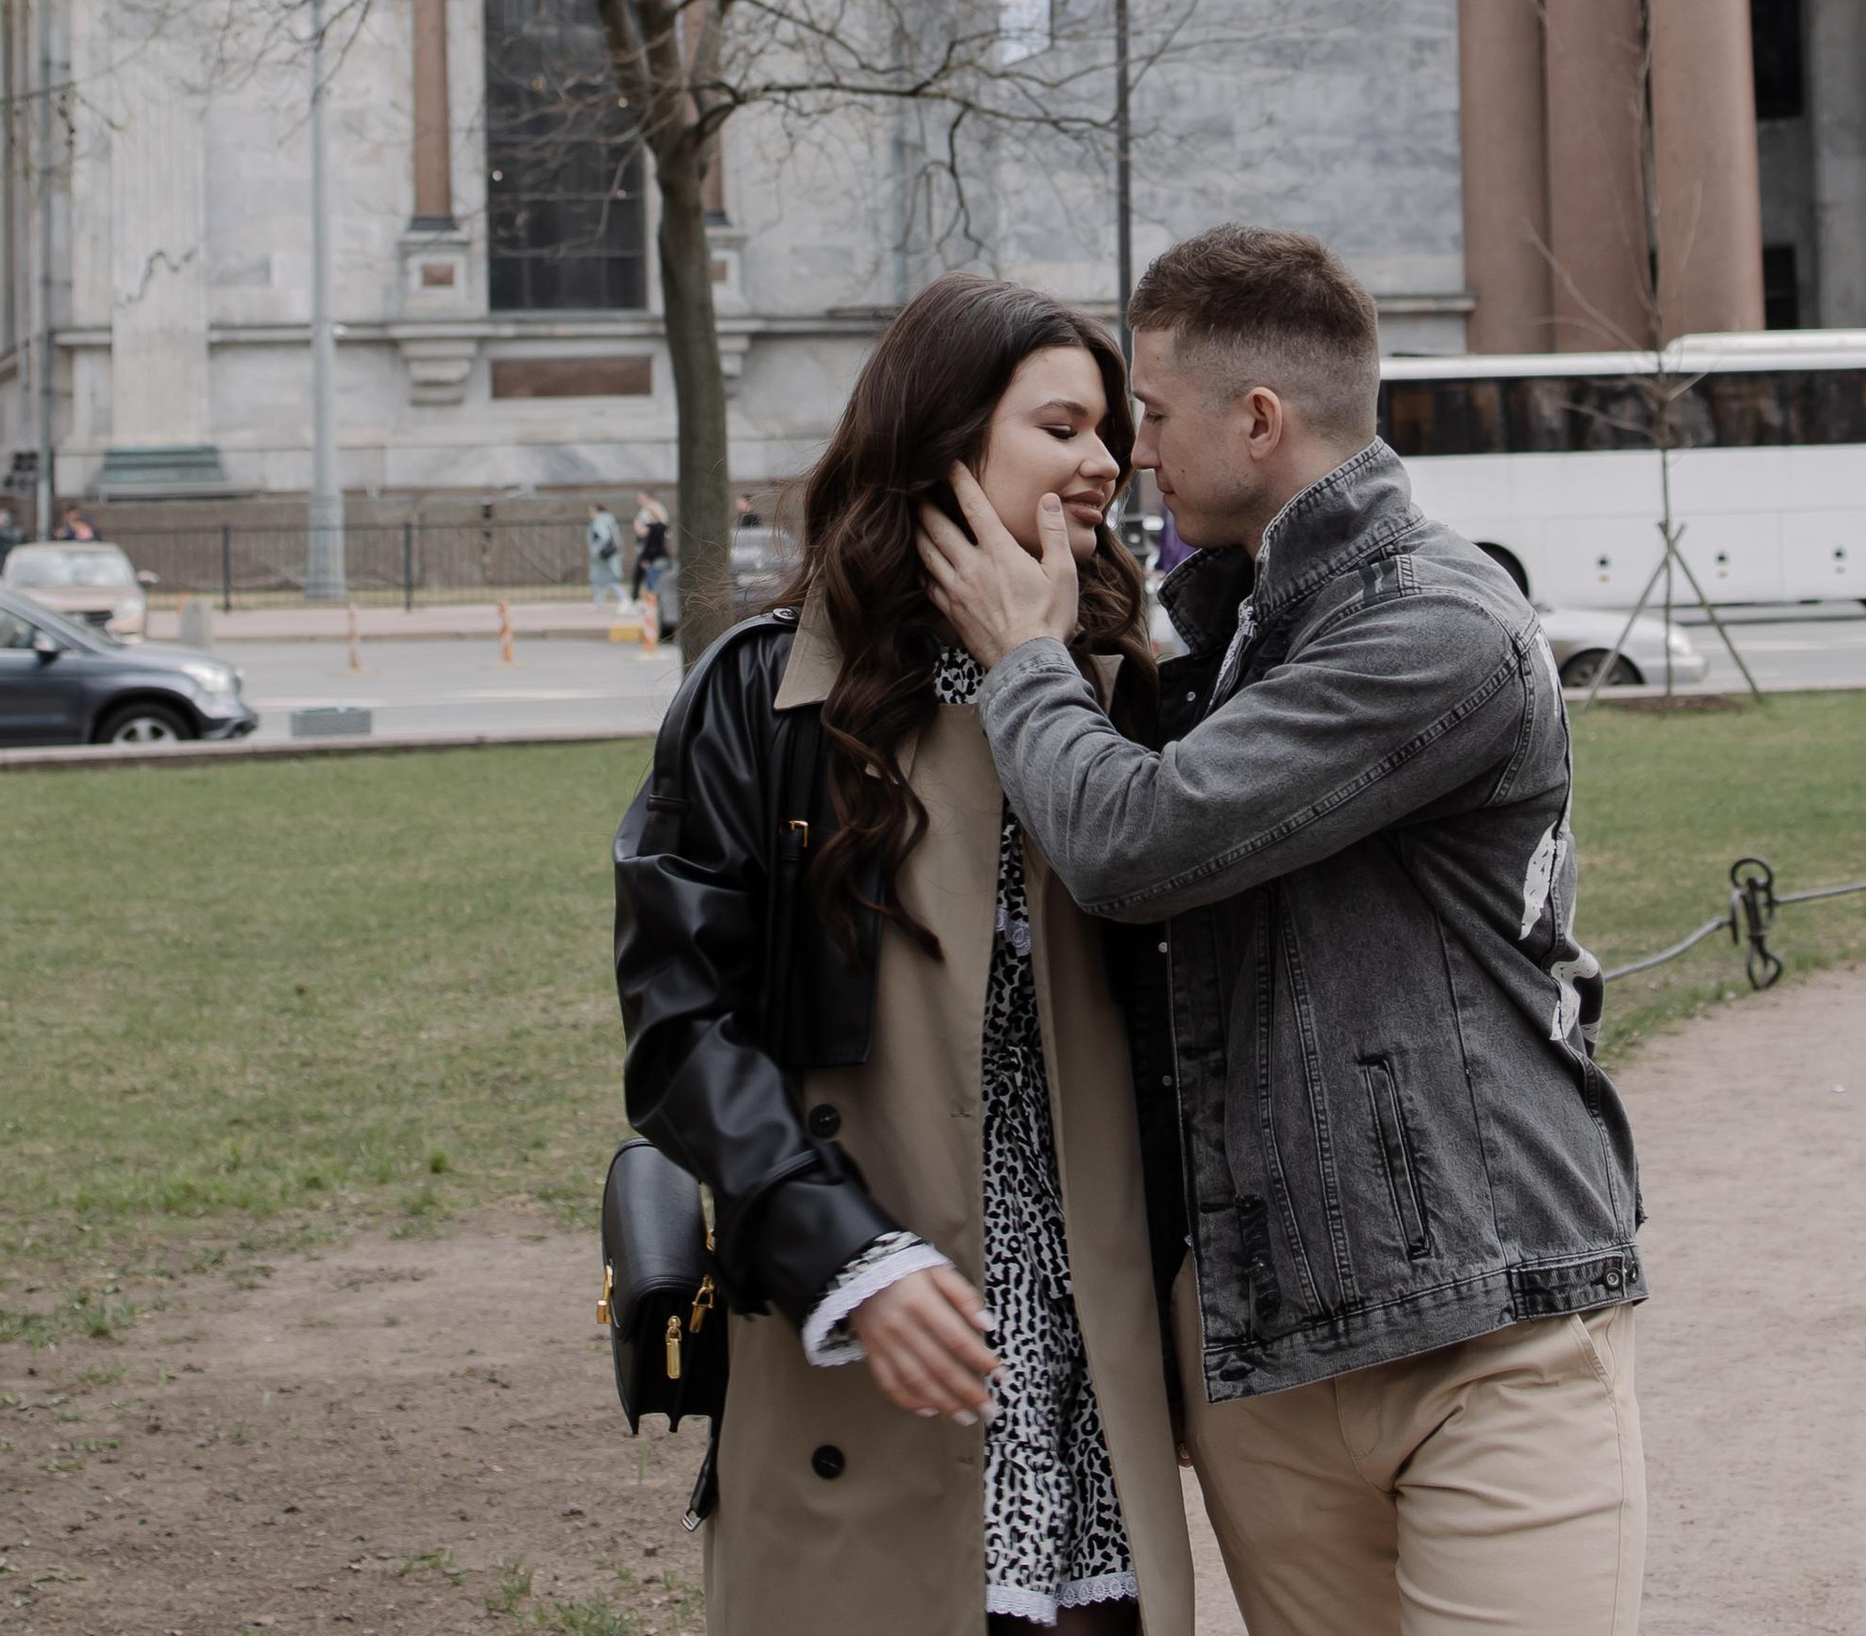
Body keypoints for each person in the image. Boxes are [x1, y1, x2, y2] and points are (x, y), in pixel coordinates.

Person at [922, 225, 1644, 1636]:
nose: (1131, 452)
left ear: (1257, 420)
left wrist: (1023, 659)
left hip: (1482, 1324)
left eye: (1150, 413)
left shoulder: (1434, 624)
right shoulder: (1224, 631)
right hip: (1258, 1349)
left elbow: (1137, 844)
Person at [616, 278, 1194, 1636]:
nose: (1105, 459)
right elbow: (679, 1023)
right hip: (875, 1315)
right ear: (944, 439)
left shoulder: (1128, 698)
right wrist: (847, 1253)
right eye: (1061, 424)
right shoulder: (765, 700)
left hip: (1087, 1355)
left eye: (1110, 427)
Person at [631, 494, 671, 612]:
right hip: (662, 558)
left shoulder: (653, 529)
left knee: (652, 587)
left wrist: (644, 559)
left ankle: (653, 610)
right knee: (658, 585)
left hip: (653, 559)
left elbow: (650, 547)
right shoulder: (663, 527)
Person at [587, 502, 626, 607]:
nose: (590, 514)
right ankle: (597, 602)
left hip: (604, 555)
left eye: (591, 511)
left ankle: (623, 600)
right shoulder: (610, 519)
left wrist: (596, 548)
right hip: (611, 553)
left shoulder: (599, 520)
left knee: (608, 578)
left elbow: (604, 536)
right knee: (600, 578)